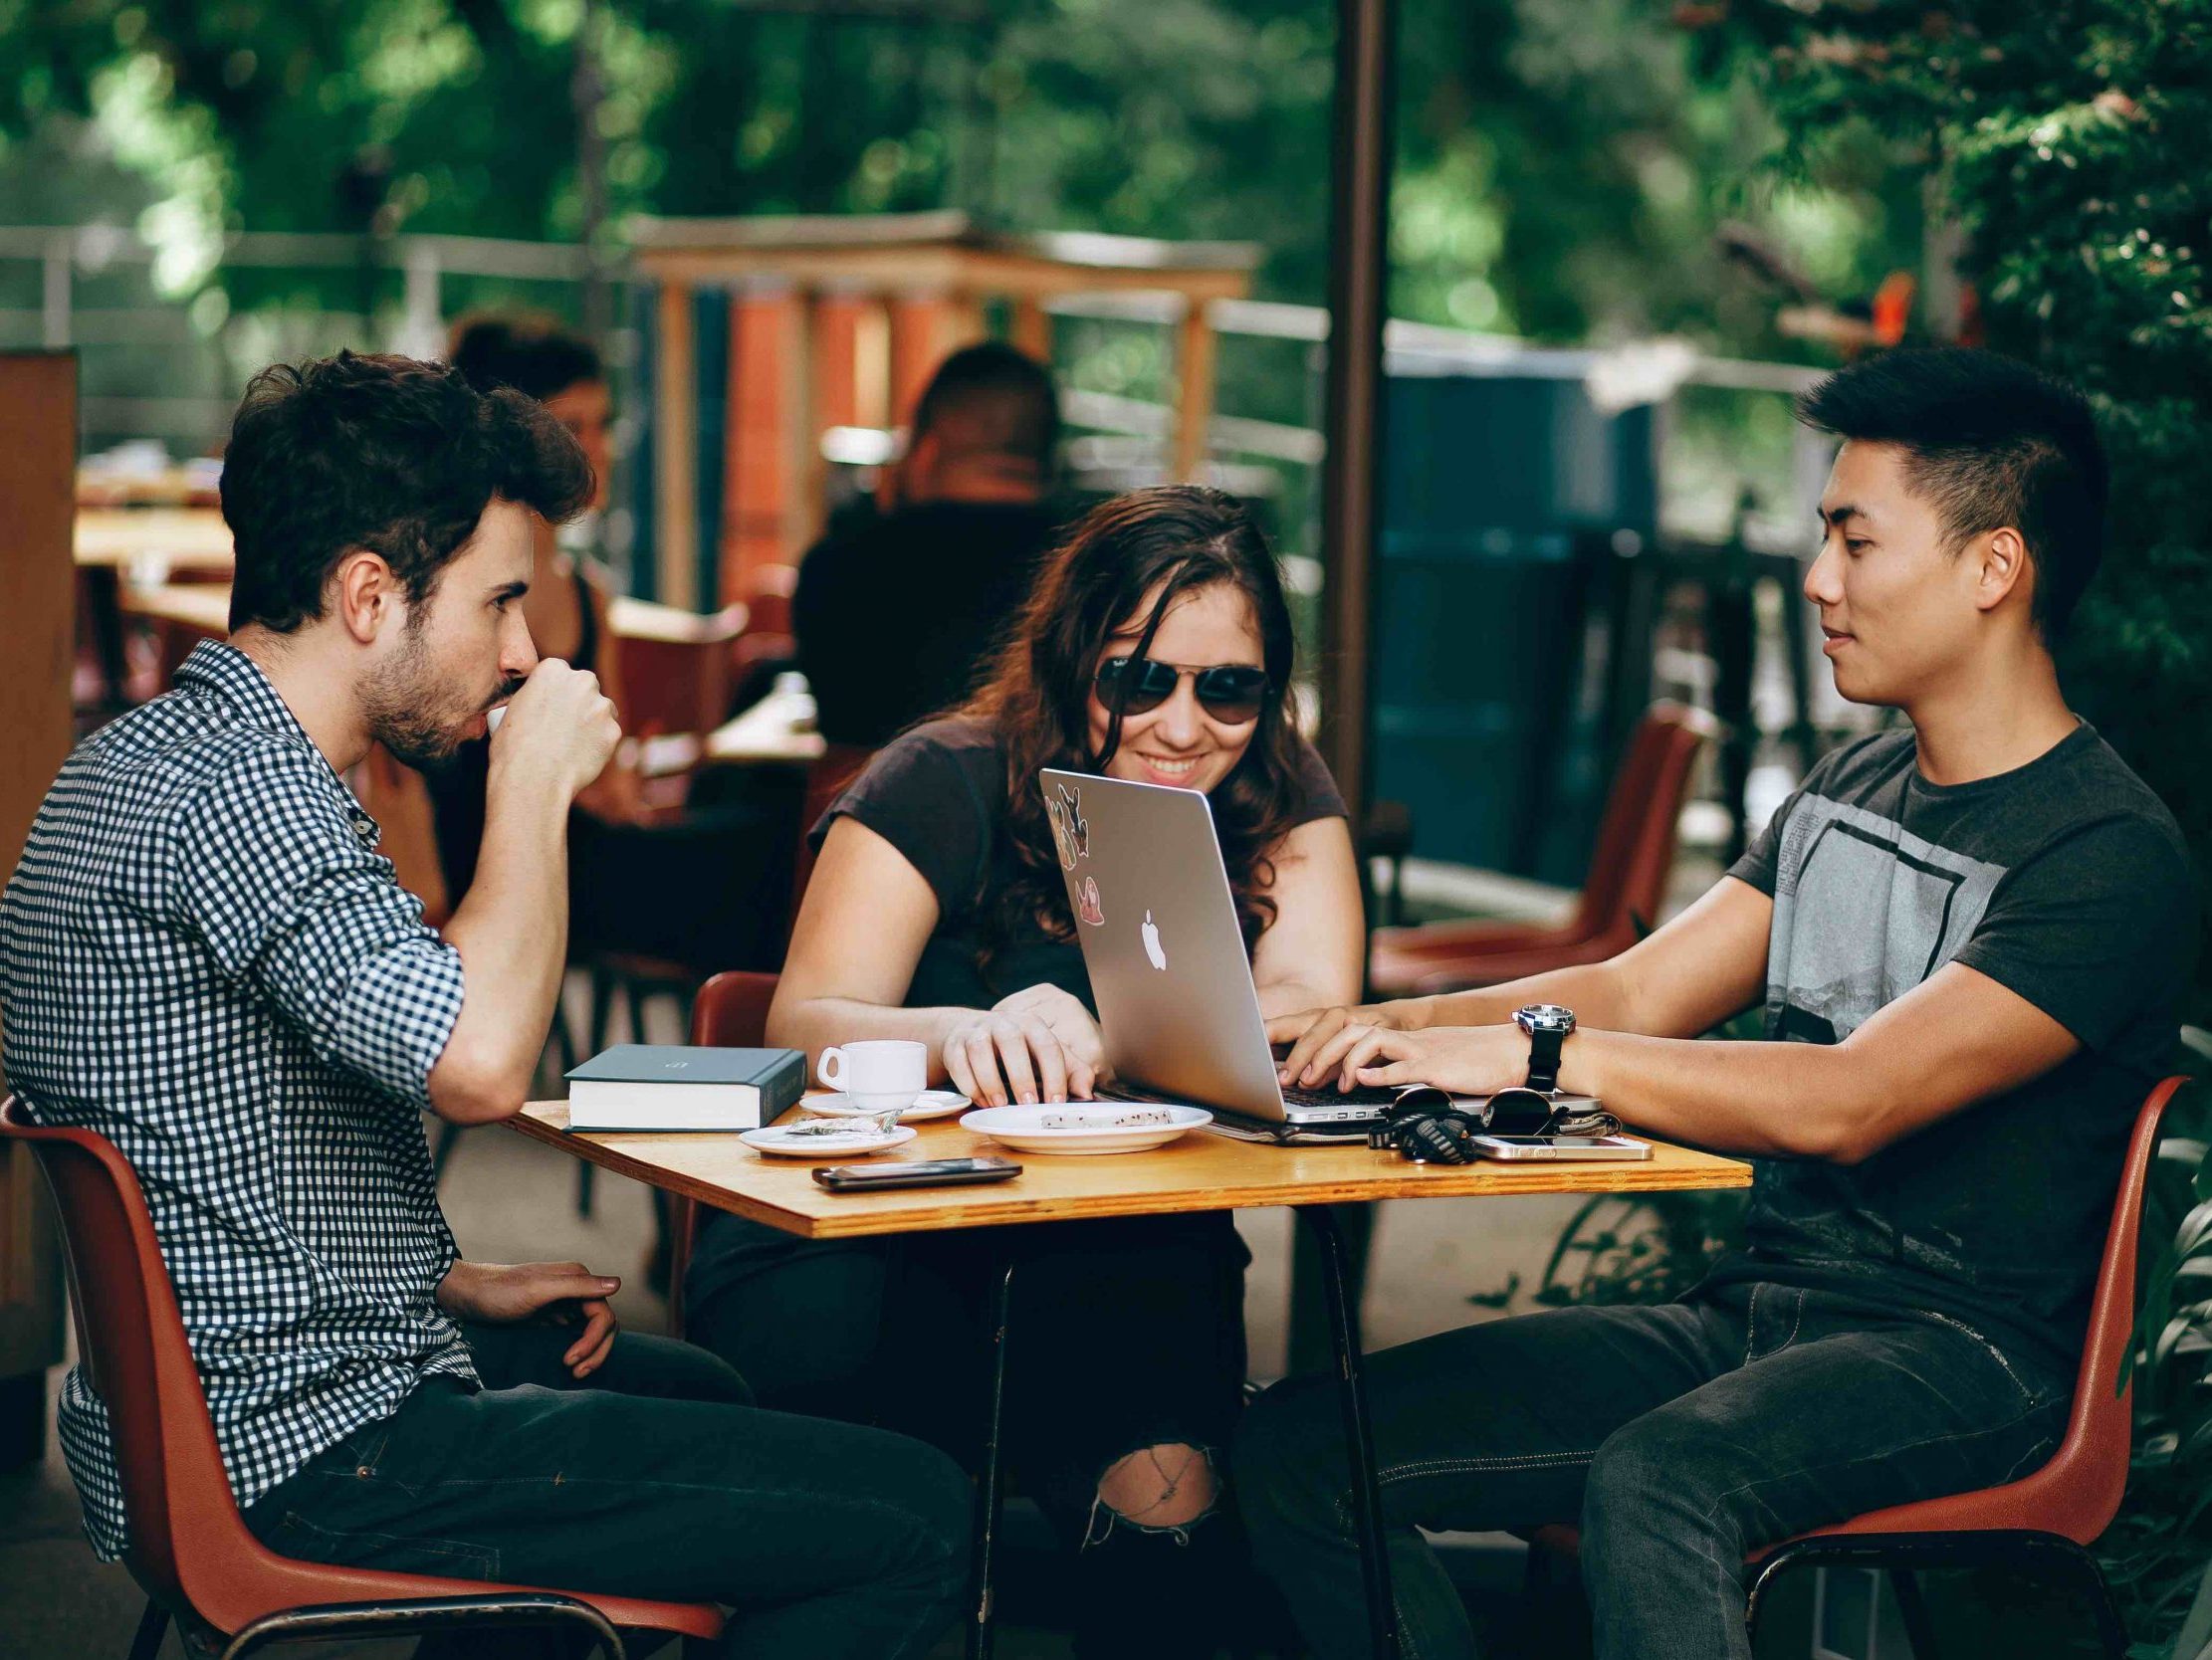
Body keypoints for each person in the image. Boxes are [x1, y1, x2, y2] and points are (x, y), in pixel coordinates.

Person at [0, 351, 968, 1659]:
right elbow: (479, 1067)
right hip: (314, 1448)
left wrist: (439, 1278)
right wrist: (531, 787)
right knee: (913, 1511)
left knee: (698, 1385)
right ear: (366, 597)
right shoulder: (247, 795)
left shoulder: (147, 758)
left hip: (219, 1417)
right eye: (501, 602)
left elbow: (204, 1131)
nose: (524, 652)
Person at [1238, 347, 2200, 1660]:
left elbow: (1851, 1100)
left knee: (1657, 1482)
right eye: (1822, 540)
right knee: (1299, 1449)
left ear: (1993, 569)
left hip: (1963, 1359)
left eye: (1855, 543)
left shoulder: (2100, 851)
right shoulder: (1854, 784)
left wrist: (1536, 1056)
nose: (1818, 581)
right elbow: (1639, 985)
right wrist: (1382, 1032)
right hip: (1751, 1318)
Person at [684, 486, 1366, 1657]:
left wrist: (1134, 1030)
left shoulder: (1275, 787)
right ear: (1068, 667)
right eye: (1136, 679)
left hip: (1115, 1247)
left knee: (1171, 1493)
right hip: (878, 1237)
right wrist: (958, 1033)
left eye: (1229, 687)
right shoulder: (941, 775)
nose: (1184, 724)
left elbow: (1310, 1004)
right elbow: (794, 1024)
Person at [429, 312, 792, 977]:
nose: (595, 450)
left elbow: (613, 770)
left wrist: (618, 779)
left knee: (772, 820)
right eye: (572, 429)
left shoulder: (589, 596)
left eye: (602, 427)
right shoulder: (449, 587)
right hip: (503, 860)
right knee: (774, 850)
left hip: (591, 854)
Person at [792, 339, 1067, 746]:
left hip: (871, 806)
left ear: (925, 450)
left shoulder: (837, 566)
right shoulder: (1090, 565)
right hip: (1043, 807)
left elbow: (839, 723)